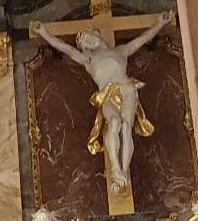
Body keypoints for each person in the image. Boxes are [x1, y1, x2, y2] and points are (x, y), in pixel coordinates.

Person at [32, 10, 174, 191]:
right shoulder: (89, 60)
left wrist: (160, 23)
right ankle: (116, 169)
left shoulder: (121, 51)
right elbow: (65, 49)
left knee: (126, 126)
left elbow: (142, 39)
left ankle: (124, 170)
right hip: (106, 94)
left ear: (97, 34)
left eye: (89, 37)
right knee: (114, 123)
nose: (88, 42)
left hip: (127, 89)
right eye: (84, 43)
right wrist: (44, 33)